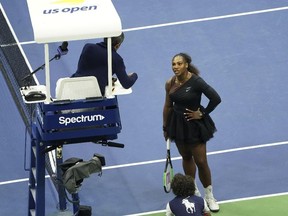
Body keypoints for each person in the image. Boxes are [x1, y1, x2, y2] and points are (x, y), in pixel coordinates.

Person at [163, 53, 221, 212]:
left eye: (179, 63)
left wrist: (202, 114)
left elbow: (216, 98)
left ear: (186, 65)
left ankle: (209, 195)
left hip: (195, 125)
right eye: (173, 64)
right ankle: (194, 193)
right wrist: (165, 126)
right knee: (186, 157)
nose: (175, 67)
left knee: (201, 161)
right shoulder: (170, 83)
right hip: (177, 125)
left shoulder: (196, 81)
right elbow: (168, 105)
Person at [71, 32, 138, 96]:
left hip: (73, 86)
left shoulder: (88, 47)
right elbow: (126, 84)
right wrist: (134, 75)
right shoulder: (117, 59)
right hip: (93, 94)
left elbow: (90, 71)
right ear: (118, 45)